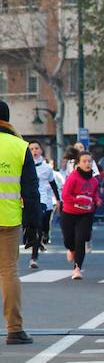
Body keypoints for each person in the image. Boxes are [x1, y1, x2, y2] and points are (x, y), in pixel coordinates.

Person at [0, 100, 41, 344]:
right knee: (8, 273)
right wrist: (34, 225)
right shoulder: (19, 146)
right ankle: (14, 329)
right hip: (8, 219)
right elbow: (31, 191)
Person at [60, 151, 102, 280]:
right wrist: (80, 200)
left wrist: (97, 200)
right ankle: (70, 249)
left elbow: (94, 194)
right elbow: (65, 196)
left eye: (89, 161)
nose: (87, 163)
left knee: (81, 240)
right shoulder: (73, 177)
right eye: (84, 161)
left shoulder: (94, 180)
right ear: (78, 163)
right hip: (69, 213)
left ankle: (77, 268)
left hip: (85, 214)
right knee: (69, 240)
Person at [26, 141, 60, 269]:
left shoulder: (46, 168)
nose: (34, 151)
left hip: (43, 200)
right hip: (27, 199)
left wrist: (58, 199)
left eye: (36, 148)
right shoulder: (24, 165)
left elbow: (53, 184)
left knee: (39, 226)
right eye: (31, 149)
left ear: (41, 151)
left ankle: (34, 258)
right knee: (30, 226)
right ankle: (36, 237)